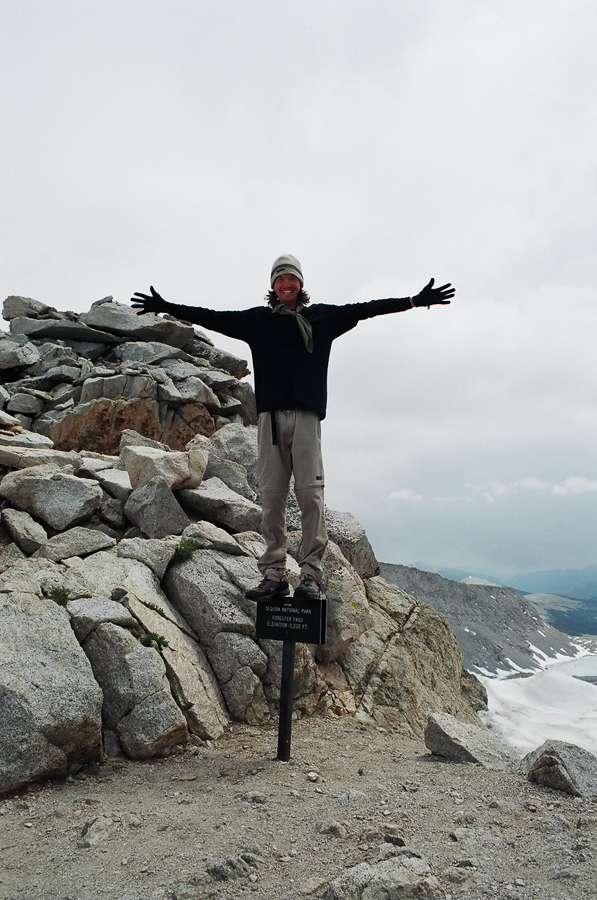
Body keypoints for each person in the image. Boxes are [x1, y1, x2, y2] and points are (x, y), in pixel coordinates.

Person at [131, 254, 454, 602]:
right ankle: (273, 574)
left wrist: (414, 301)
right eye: (279, 280)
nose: (286, 285)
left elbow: (367, 308)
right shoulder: (257, 321)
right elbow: (212, 317)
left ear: (300, 283)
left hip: (306, 418)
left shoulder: (322, 318)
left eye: (291, 279)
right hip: (269, 420)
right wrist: (166, 306)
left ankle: (311, 577)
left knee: (310, 496)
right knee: (270, 497)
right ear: (272, 286)